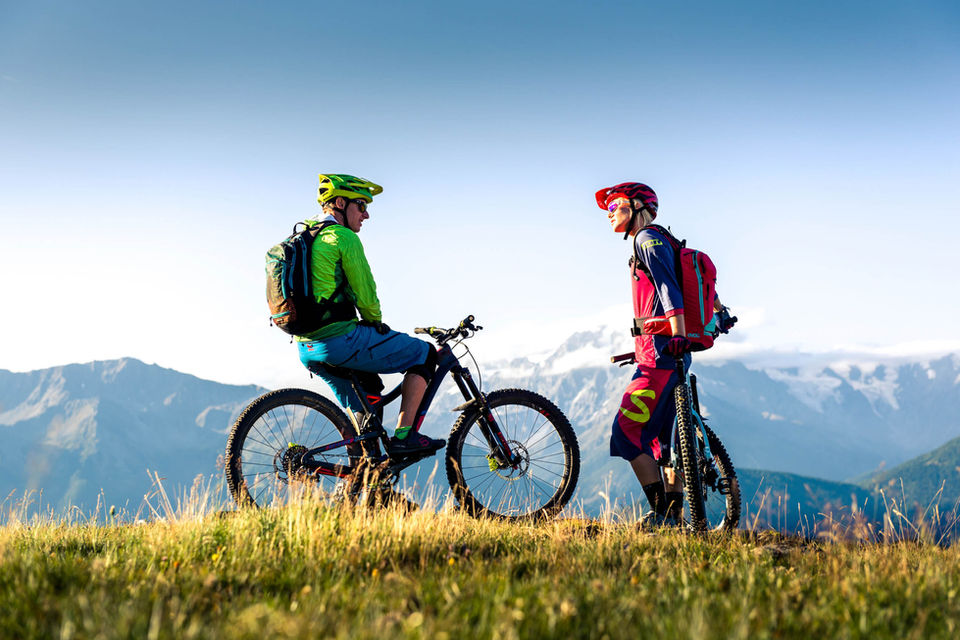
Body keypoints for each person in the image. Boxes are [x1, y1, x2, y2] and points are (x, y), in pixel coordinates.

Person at [595, 181, 728, 527]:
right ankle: (673, 517)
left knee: (625, 432)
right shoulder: (665, 239)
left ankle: (663, 515)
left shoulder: (647, 239)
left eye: (615, 206)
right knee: (664, 444)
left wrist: (678, 334)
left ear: (637, 206)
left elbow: (669, 288)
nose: (610, 215)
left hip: (660, 356)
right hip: (668, 354)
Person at [295, 174, 444, 456]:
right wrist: (375, 322)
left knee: (369, 395)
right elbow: (365, 294)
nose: (366, 214)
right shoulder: (343, 237)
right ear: (340, 203)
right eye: (361, 205)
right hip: (340, 340)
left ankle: (371, 476)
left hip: (307, 347)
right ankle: (405, 436)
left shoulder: (306, 237)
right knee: (424, 354)